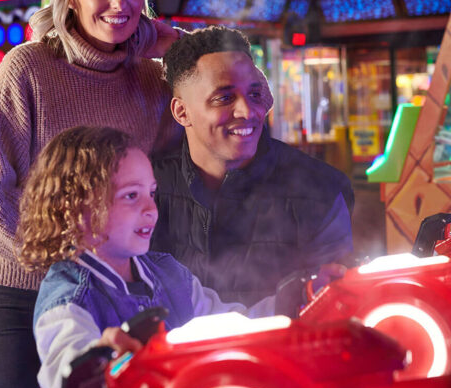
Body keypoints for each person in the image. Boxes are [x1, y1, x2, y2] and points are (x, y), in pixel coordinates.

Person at [0, 0, 183, 388]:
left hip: (106, 288)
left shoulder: (150, 78)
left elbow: (166, 174)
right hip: (17, 290)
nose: (118, 1)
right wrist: (67, 267)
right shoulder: (28, 67)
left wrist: (177, 48)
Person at [16, 126, 284, 388]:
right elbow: (64, 362)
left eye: (152, 193)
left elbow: (228, 322)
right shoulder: (68, 295)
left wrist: (291, 305)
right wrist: (98, 356)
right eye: (131, 195)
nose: (151, 209)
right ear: (76, 209)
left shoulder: (169, 273)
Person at [151, 26, 354, 306]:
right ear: (181, 112)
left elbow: (333, 307)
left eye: (255, 94)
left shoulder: (319, 189)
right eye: (224, 98)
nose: (248, 112)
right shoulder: (146, 188)